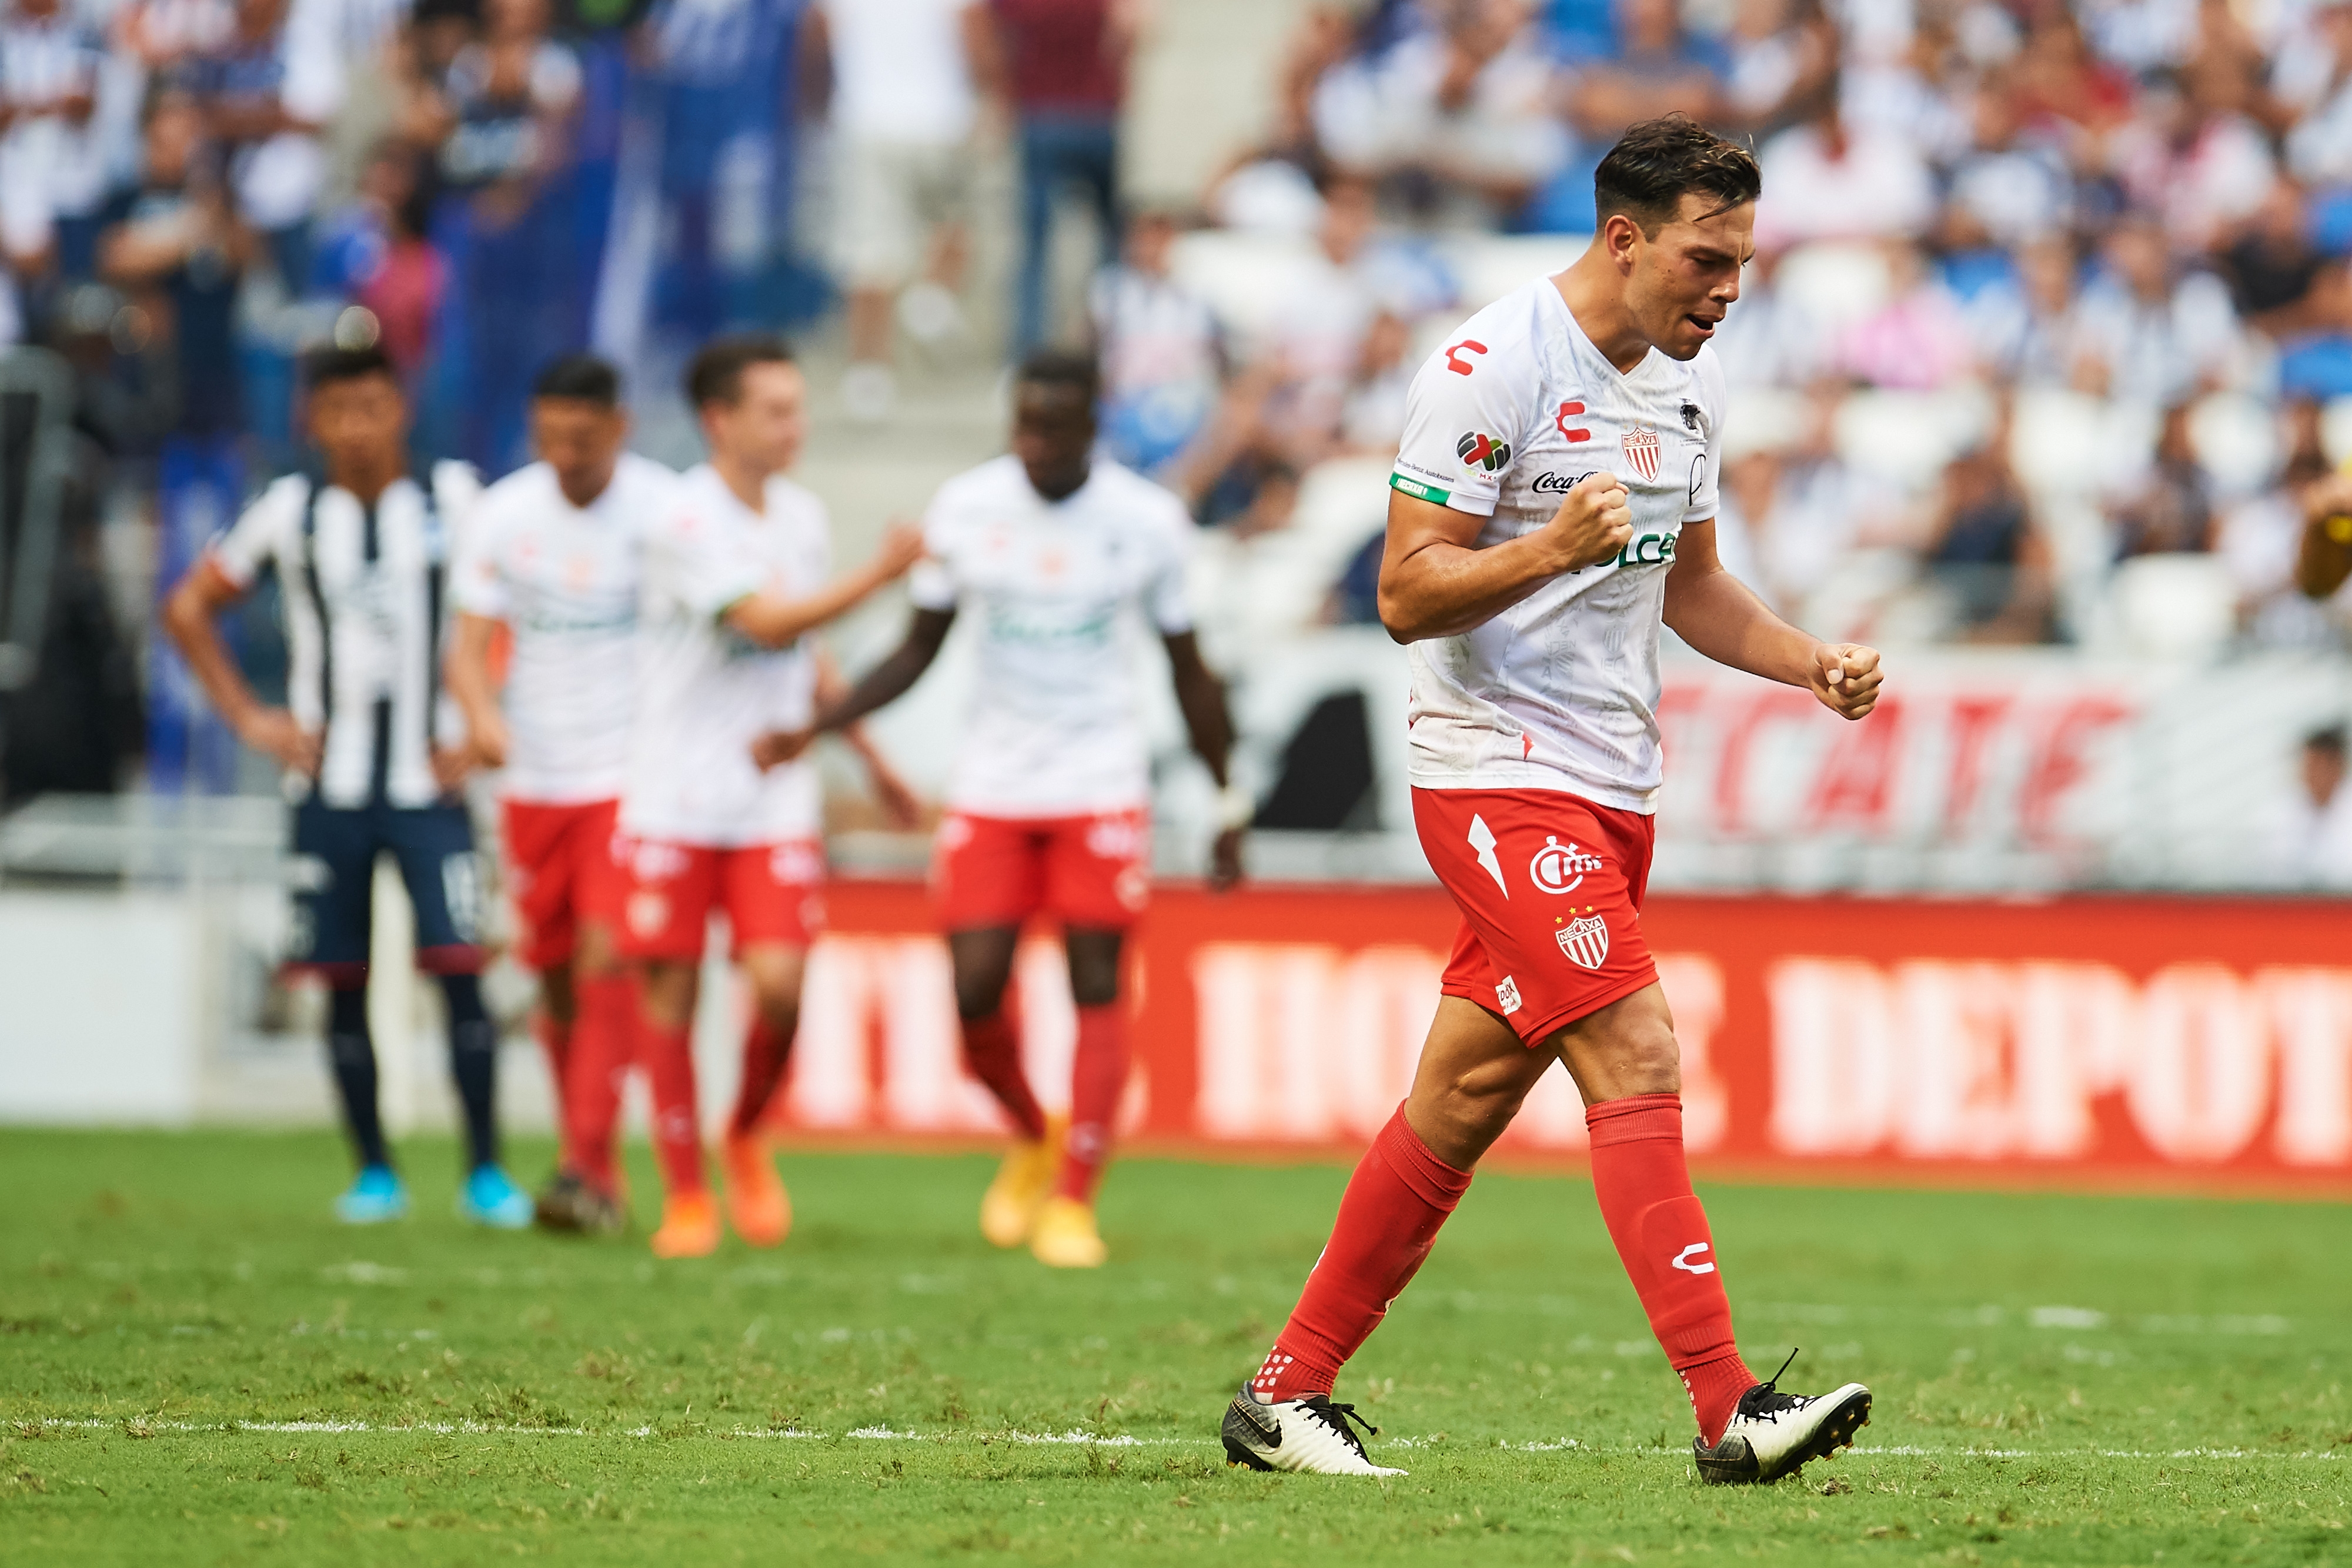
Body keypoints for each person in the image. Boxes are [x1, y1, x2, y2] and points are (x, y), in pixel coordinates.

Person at [1218, 116, 1883, 1482]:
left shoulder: (1683, 393)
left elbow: (1692, 589)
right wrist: (1544, 546)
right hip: (1491, 774)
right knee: (1636, 1050)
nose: (1727, 288)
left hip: (1610, 790)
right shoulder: (1488, 366)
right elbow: (1404, 591)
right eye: (1707, 257)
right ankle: (1728, 1405)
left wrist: (1804, 658)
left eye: (1744, 261)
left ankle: (1281, 1394)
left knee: (1459, 1098)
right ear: (1623, 237)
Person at [779, 349, 1244, 1270]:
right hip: (993, 785)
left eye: (1052, 430)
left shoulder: (1146, 524)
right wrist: (821, 725)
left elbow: (1191, 672)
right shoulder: (967, 509)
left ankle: (1074, 1199)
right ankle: (1036, 1131)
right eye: (1023, 427)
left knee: (1097, 978)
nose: (1033, 445)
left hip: (1100, 782)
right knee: (973, 989)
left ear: (1089, 432)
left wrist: (1227, 801)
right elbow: (918, 648)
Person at [160, 345, 532, 1229]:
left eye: (373, 407)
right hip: (327, 793)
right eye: (339, 411)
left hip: (432, 788)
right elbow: (187, 608)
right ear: (313, 421)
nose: (358, 428)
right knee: (341, 980)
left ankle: (485, 1173)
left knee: (461, 975)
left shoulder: (458, 501)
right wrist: (252, 718)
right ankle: (374, 1171)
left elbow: (511, 607)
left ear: (399, 410)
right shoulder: (290, 512)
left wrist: (483, 724)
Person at [617, 334, 924, 1259]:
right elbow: (762, 620)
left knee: (781, 991)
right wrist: (882, 574)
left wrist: (868, 755)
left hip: (769, 800)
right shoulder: (681, 519)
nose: (798, 424)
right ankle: (684, 1197)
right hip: (675, 793)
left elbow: (805, 655)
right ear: (721, 420)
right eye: (777, 410)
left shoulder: (799, 515)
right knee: (669, 991)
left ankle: (743, 1131)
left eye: (798, 406)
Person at [445, 354, 676, 1236]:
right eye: (550, 439)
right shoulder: (505, 515)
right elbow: (467, 650)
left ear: (620, 429)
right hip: (532, 779)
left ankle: (583, 1167)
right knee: (553, 977)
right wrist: (480, 716)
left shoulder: (664, 512)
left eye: (582, 439)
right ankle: (597, 1166)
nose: (565, 456)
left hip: (630, 774)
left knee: (607, 952)